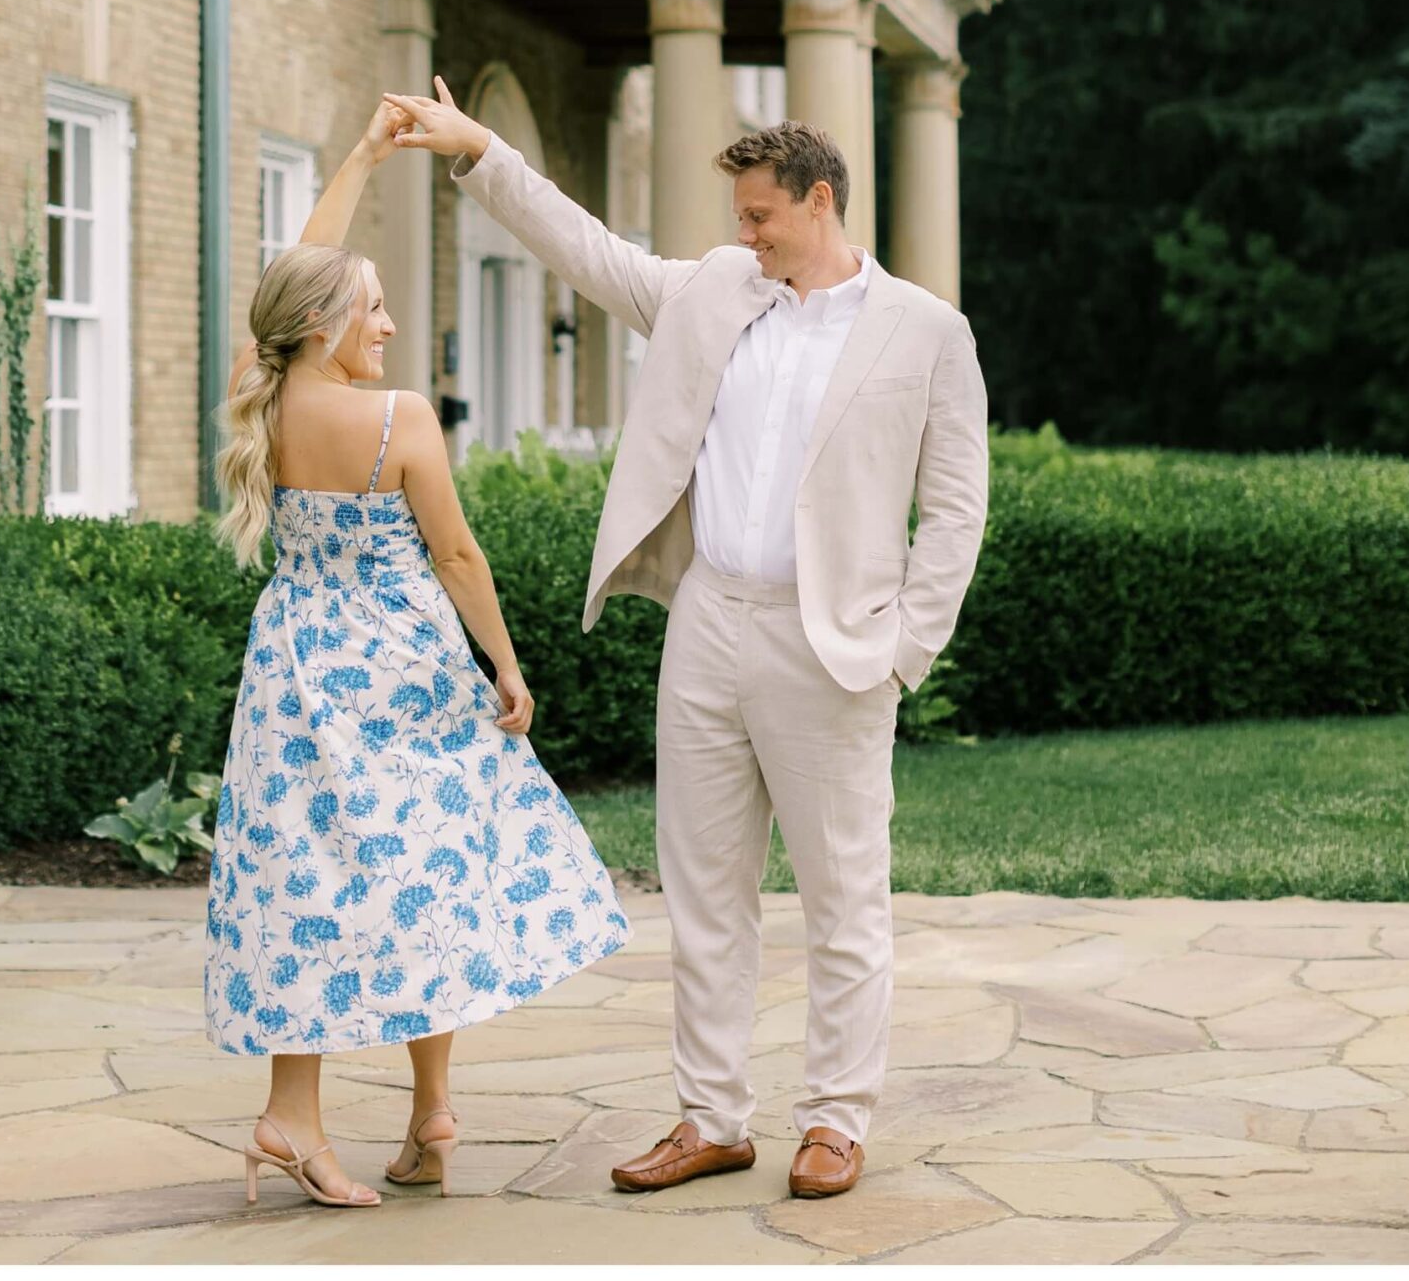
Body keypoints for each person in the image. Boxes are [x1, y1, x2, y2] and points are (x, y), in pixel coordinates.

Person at [387, 78, 988, 1203]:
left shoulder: (924, 331)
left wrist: (902, 645)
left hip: (834, 646)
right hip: (709, 622)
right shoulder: (718, 289)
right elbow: (589, 249)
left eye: (759, 215)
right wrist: (479, 151)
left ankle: (834, 1121)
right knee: (703, 888)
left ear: (819, 201)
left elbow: (955, 507)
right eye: (738, 218)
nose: (742, 234)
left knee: (842, 893)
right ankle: (712, 1117)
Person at [203, 99, 632, 1210]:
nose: (389, 326)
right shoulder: (396, 420)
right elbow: (456, 551)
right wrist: (507, 663)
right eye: (374, 309)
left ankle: (387, 1115)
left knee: (314, 875)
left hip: (297, 659)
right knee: (428, 862)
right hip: (403, 663)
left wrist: (354, 158)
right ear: (326, 324)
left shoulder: (269, 393)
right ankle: (369, 1111)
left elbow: (298, 272)